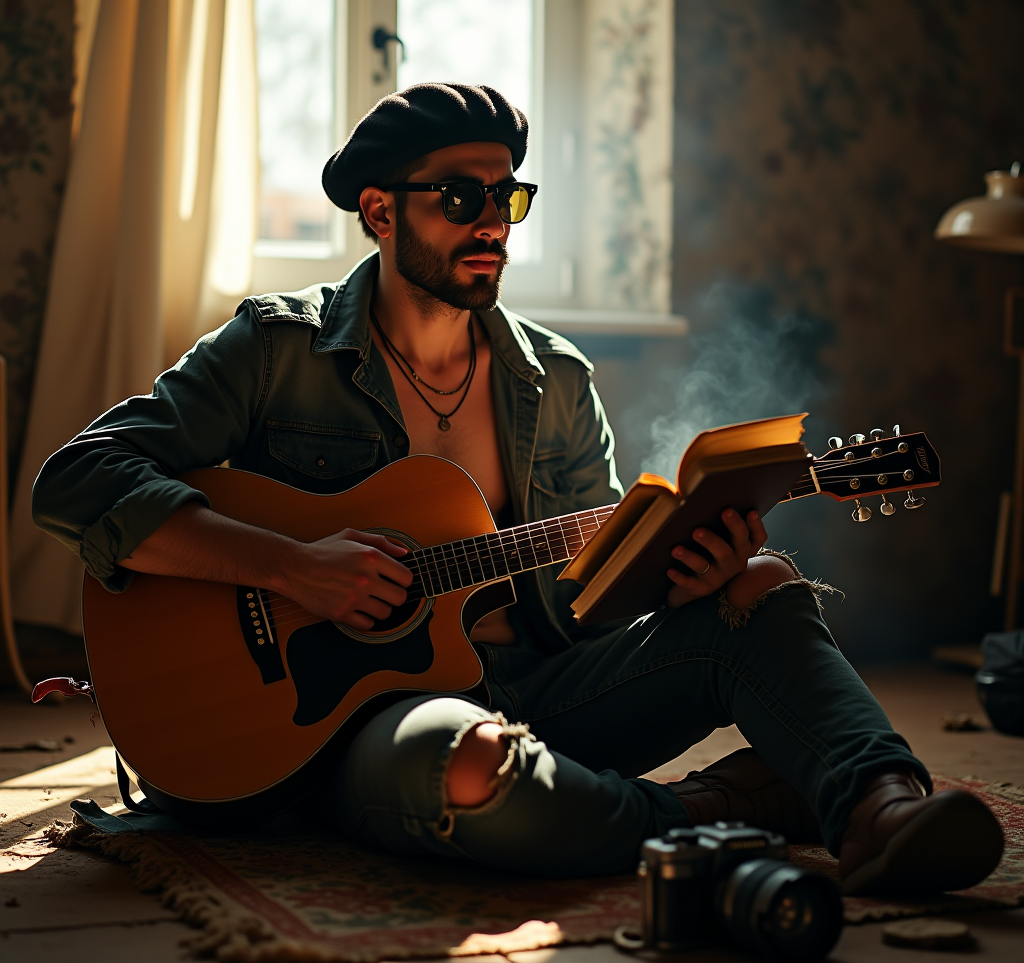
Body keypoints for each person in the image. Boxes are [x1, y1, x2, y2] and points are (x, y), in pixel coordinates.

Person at [33, 83, 1002, 895]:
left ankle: (880, 807)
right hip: (359, 720)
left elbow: (588, 603)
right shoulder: (274, 350)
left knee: (761, 577)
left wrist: (680, 574)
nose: (492, 221)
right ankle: (727, 805)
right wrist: (293, 567)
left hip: (541, 683)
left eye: (508, 198)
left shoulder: (557, 381)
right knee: (467, 768)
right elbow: (78, 480)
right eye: (460, 197)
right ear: (380, 212)